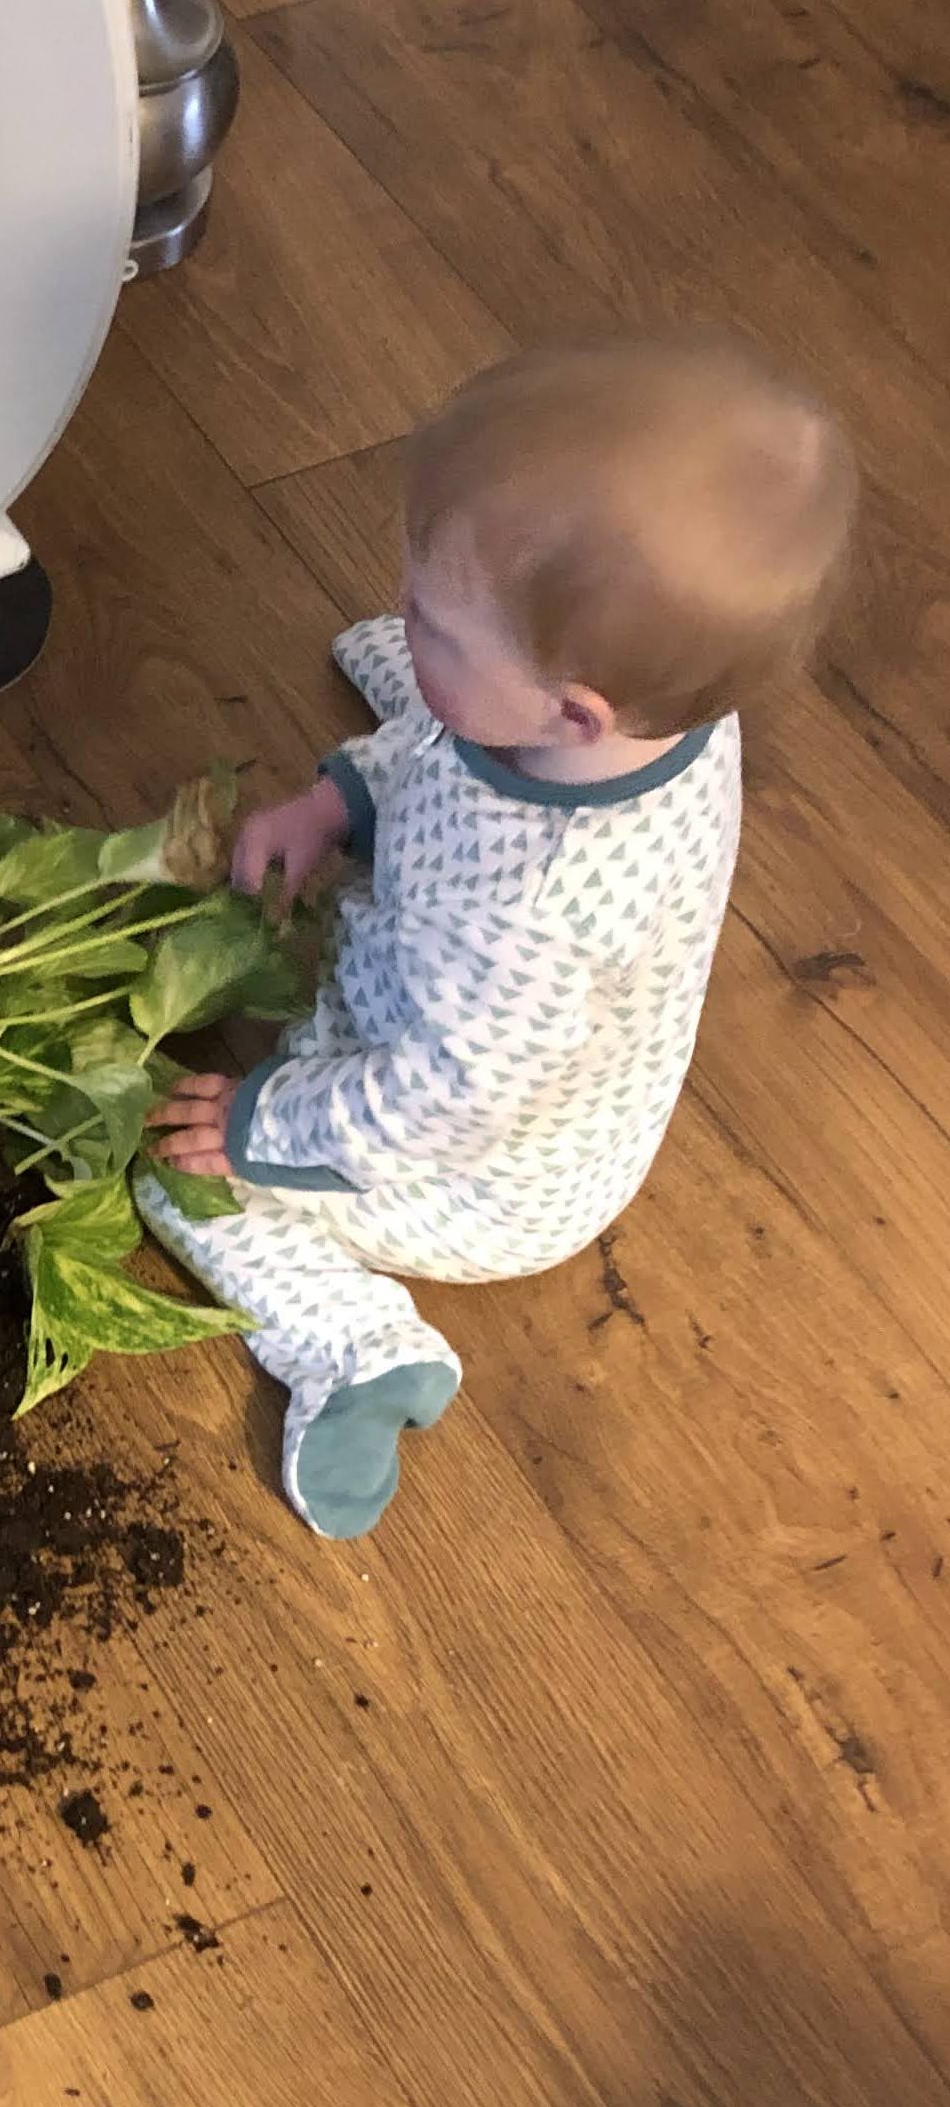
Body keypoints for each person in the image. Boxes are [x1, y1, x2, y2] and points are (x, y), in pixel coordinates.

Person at [142, 333, 858, 1541]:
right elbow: (449, 764)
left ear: (574, 715)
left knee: (182, 1181)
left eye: (430, 619)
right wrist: (337, 803)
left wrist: (266, 1123)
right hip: (502, 987)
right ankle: (460, 675)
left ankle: (355, 1347)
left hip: (483, 1165)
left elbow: (433, 1103)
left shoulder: (533, 918)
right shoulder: (657, 709)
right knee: (448, 724)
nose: (400, 606)